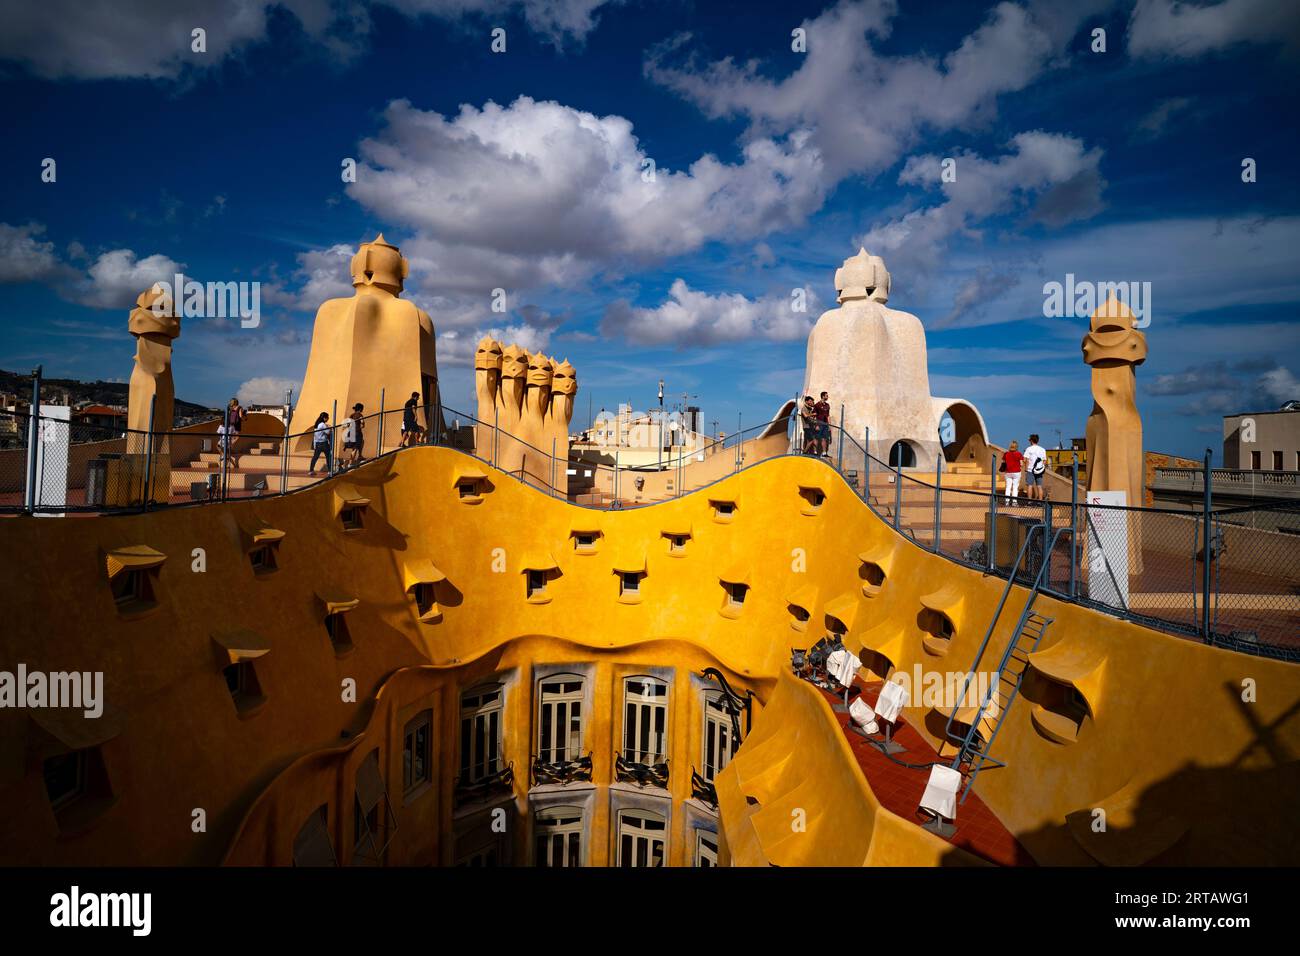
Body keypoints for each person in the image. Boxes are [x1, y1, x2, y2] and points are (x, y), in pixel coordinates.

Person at [1023, 433, 1047, 501]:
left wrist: (1026, 469)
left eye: (1029, 439)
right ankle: (1040, 502)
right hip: (1039, 470)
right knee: (1039, 486)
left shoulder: (1028, 449)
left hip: (1030, 470)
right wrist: (1041, 468)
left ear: (1031, 440)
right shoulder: (1042, 449)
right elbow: (1044, 461)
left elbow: (1026, 460)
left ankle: (1029, 502)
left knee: (1030, 486)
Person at [1001, 440, 1023, 505]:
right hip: (1016, 472)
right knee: (1015, 487)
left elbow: (1004, 462)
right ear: (1016, 447)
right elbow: (1021, 464)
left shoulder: (1006, 454)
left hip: (1008, 472)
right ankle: (1014, 502)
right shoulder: (1019, 454)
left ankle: (1007, 502)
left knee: (1008, 487)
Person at [343, 402, 365, 468]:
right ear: (360, 409)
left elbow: (347, 424)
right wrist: (362, 425)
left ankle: (360, 456)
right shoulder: (360, 415)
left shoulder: (352, 415)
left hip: (351, 432)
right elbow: (362, 422)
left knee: (361, 442)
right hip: (357, 433)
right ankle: (350, 463)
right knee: (355, 448)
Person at [813, 391, 832, 458]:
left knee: (824, 438)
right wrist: (816, 425)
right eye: (826, 395)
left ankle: (824, 453)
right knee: (816, 438)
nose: (827, 397)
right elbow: (814, 415)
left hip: (825, 424)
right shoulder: (817, 405)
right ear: (823, 396)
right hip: (819, 423)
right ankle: (815, 452)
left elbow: (828, 415)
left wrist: (829, 425)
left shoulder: (827, 405)